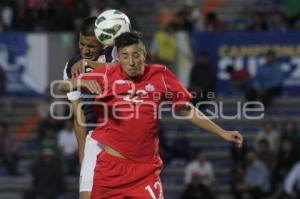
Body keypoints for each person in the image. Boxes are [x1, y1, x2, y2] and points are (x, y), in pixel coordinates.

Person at [59, 31, 243, 198]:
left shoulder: (161, 75)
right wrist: (76, 83)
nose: (131, 62)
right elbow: (62, 85)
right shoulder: (107, 73)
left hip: (145, 172)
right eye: (125, 56)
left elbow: (186, 110)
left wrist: (222, 132)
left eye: (135, 55)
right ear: (119, 59)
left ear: (144, 55)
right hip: (111, 169)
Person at [61, 16, 117, 199]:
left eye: (91, 46)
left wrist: (92, 66)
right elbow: (79, 116)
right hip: (94, 136)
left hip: (119, 134)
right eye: (82, 44)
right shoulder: (71, 67)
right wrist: (82, 155)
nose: (85, 50)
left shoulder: (115, 54)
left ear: (103, 43)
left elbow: (125, 70)